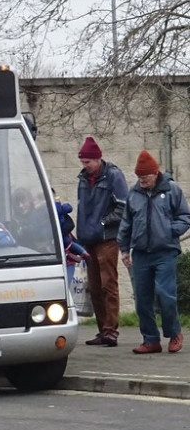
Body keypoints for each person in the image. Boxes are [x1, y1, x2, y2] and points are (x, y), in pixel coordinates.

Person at [117, 150, 190, 354]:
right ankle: (151, 339)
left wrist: (170, 231)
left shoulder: (172, 190)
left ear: (155, 173)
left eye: (145, 177)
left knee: (166, 296)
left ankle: (174, 334)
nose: (142, 181)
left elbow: (185, 216)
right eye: (139, 177)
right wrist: (124, 249)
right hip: (140, 253)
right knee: (142, 299)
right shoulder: (134, 194)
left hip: (165, 252)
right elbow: (126, 222)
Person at [75, 136, 128, 347]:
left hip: (107, 239)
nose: (85, 165)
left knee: (109, 284)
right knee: (94, 287)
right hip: (88, 239)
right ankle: (102, 330)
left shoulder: (113, 176)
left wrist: (104, 223)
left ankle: (111, 330)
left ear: (98, 159)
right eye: (83, 162)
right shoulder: (82, 179)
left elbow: (123, 206)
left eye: (88, 162)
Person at [53, 188, 89, 285]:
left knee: (68, 242)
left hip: (66, 253)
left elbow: (68, 208)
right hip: (62, 255)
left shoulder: (56, 207)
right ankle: (83, 252)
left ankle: (83, 252)